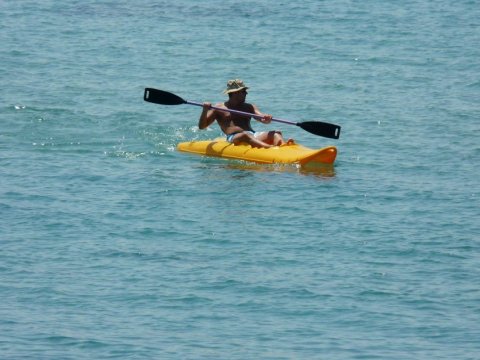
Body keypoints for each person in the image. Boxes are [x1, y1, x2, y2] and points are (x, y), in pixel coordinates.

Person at [198, 79, 292, 148]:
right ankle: (270, 148)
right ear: (235, 93)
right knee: (244, 135)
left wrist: (266, 118)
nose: (246, 93)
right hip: (234, 137)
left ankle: (283, 148)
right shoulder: (218, 108)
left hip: (252, 135)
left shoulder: (249, 107)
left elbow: (262, 118)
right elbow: (202, 126)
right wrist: (205, 110)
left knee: (276, 133)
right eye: (243, 91)